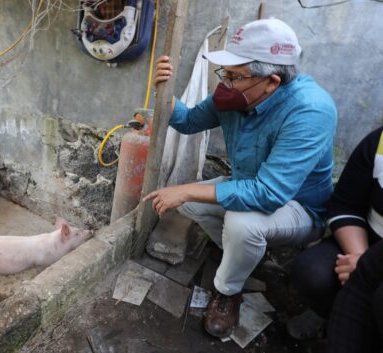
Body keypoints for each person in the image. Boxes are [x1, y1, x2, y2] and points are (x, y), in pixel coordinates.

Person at [143, 18, 337, 338]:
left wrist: (187, 189)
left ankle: (228, 289)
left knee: (241, 223)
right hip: (254, 189)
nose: (225, 83)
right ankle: (243, 257)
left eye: (235, 75)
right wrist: (164, 92)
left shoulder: (311, 110)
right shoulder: (234, 96)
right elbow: (189, 121)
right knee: (191, 205)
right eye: (225, 73)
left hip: (298, 207)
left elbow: (268, 194)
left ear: (272, 82)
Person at [291, 126, 383, 349]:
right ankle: (332, 315)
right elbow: (346, 203)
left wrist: (367, 268)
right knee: (312, 272)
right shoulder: (379, 143)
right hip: (365, 242)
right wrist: (361, 258)